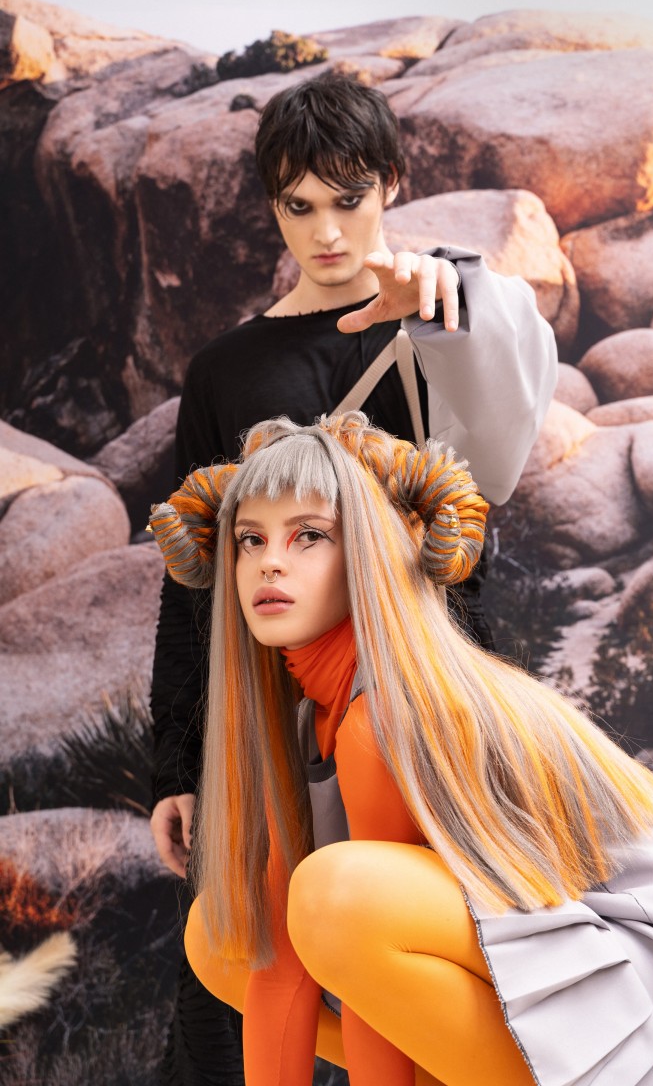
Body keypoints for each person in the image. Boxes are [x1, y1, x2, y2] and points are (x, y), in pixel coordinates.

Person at [148, 412, 653, 1086]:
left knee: (336, 896)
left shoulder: (386, 712)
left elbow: (359, 945)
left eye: (310, 536)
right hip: (542, 949)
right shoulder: (299, 722)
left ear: (369, 550)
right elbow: (280, 970)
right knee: (226, 935)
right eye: (251, 539)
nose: (270, 561)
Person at [148, 72, 558, 1081]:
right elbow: (193, 580)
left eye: (348, 199)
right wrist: (178, 767)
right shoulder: (225, 372)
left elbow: (500, 454)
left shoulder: (442, 318)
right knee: (250, 958)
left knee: (408, 957)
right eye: (298, 206)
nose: (326, 233)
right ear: (270, 206)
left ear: (392, 185)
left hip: (420, 688)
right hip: (271, 706)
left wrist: (447, 302)